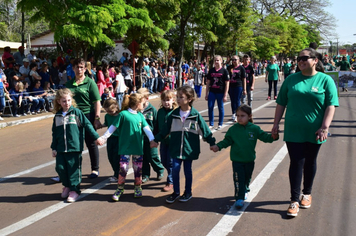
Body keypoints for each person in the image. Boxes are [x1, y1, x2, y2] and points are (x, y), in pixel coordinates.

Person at [271, 47, 339, 217]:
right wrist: (275, 124)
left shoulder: (325, 80)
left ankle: (306, 193)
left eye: (305, 58)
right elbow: (281, 103)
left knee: (310, 161)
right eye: (298, 58)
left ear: (315, 60)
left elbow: (331, 105)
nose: (300, 61)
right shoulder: (291, 80)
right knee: (296, 162)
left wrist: (325, 127)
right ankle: (294, 200)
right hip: (294, 130)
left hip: (315, 131)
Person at [151, 86, 216, 203]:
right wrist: (156, 140)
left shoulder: (195, 115)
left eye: (181, 97)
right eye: (178, 96)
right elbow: (165, 130)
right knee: (175, 169)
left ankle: (188, 192)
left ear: (190, 99)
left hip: (189, 150)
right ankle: (176, 192)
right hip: (175, 148)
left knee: (187, 170)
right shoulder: (174, 114)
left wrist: (212, 143)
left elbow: (205, 131)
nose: (178, 99)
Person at [211, 104, 278, 209]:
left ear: (249, 116)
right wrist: (218, 147)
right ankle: (239, 198)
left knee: (247, 178)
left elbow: (265, 137)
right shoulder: (233, 129)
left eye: (242, 116)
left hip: (249, 160)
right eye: (238, 116)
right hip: (237, 160)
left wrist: (273, 136)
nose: (239, 118)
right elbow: (226, 141)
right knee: (238, 179)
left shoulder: (254, 129)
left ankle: (245, 189)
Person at [97, 93, 155, 201]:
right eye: (143, 103)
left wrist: (152, 140)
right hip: (125, 148)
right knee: (123, 168)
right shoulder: (123, 114)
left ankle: (138, 187)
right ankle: (120, 188)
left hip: (137, 147)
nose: (144, 105)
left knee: (138, 169)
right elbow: (112, 127)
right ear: (137, 104)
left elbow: (147, 129)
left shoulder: (140, 115)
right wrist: (104, 138)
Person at [51, 88, 100, 203]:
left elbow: (88, 125)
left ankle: (75, 190)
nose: (66, 103)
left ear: (71, 100)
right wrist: (54, 147)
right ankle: (67, 186)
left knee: (74, 170)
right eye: (64, 101)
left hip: (74, 148)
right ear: (59, 101)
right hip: (61, 148)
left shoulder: (77, 113)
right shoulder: (57, 116)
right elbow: (55, 133)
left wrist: (97, 137)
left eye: (68, 100)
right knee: (60, 168)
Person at [66, 58, 102, 178]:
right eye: (77, 67)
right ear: (73, 68)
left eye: (82, 67)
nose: (79, 69)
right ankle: (75, 170)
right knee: (75, 144)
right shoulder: (69, 84)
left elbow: (97, 101)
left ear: (85, 69)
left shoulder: (90, 82)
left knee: (91, 143)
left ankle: (95, 169)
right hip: (73, 116)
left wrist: (97, 118)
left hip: (87, 115)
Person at [136, 88, 165, 183]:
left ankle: (159, 170)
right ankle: (145, 174)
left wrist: (156, 138)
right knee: (143, 157)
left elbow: (156, 124)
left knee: (153, 156)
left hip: (151, 138)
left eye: (141, 98)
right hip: (140, 138)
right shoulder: (136, 110)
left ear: (146, 98)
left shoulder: (152, 110)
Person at [155, 90, 178, 191]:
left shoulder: (176, 112)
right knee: (163, 161)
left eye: (168, 100)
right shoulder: (160, 112)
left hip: (173, 142)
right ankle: (173, 174)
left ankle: (170, 181)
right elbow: (156, 126)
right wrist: (155, 138)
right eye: (164, 100)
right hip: (163, 141)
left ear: (173, 100)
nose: (166, 102)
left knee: (170, 162)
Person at [205, 55, 230, 130]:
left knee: (220, 107)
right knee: (210, 107)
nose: (216, 62)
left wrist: (225, 95)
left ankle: (220, 124)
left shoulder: (224, 71)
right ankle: (211, 124)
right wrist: (206, 94)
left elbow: (227, 83)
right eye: (215, 60)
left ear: (221, 61)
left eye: (218, 60)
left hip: (220, 92)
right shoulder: (211, 70)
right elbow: (208, 82)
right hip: (212, 92)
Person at [101, 98, 121, 182]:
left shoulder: (120, 115)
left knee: (117, 157)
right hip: (110, 139)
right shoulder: (107, 116)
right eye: (107, 111)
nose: (109, 113)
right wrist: (101, 125)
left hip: (119, 139)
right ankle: (117, 172)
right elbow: (107, 123)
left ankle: (117, 174)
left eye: (111, 111)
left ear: (116, 107)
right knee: (110, 157)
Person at [227, 56, 246, 122]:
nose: (234, 61)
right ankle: (233, 113)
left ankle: (238, 114)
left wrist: (244, 89)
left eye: (235, 59)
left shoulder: (241, 68)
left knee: (237, 100)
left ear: (239, 60)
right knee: (232, 100)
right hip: (231, 86)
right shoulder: (229, 68)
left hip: (238, 86)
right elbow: (226, 78)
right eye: (233, 60)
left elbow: (244, 79)